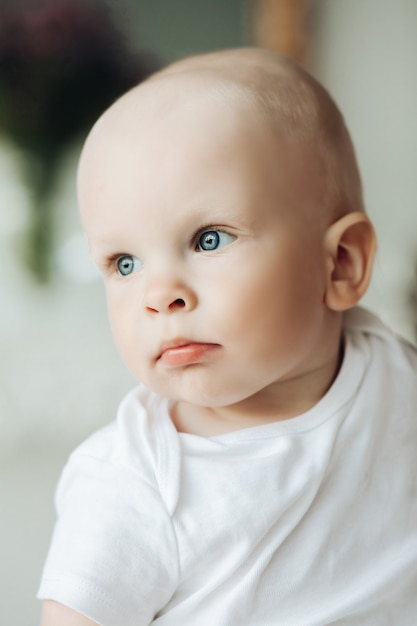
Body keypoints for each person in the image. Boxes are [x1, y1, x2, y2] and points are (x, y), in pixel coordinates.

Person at [38, 48, 417, 626]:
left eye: (209, 239)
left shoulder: (395, 372)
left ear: (340, 264)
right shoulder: (134, 483)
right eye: (123, 262)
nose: (159, 294)